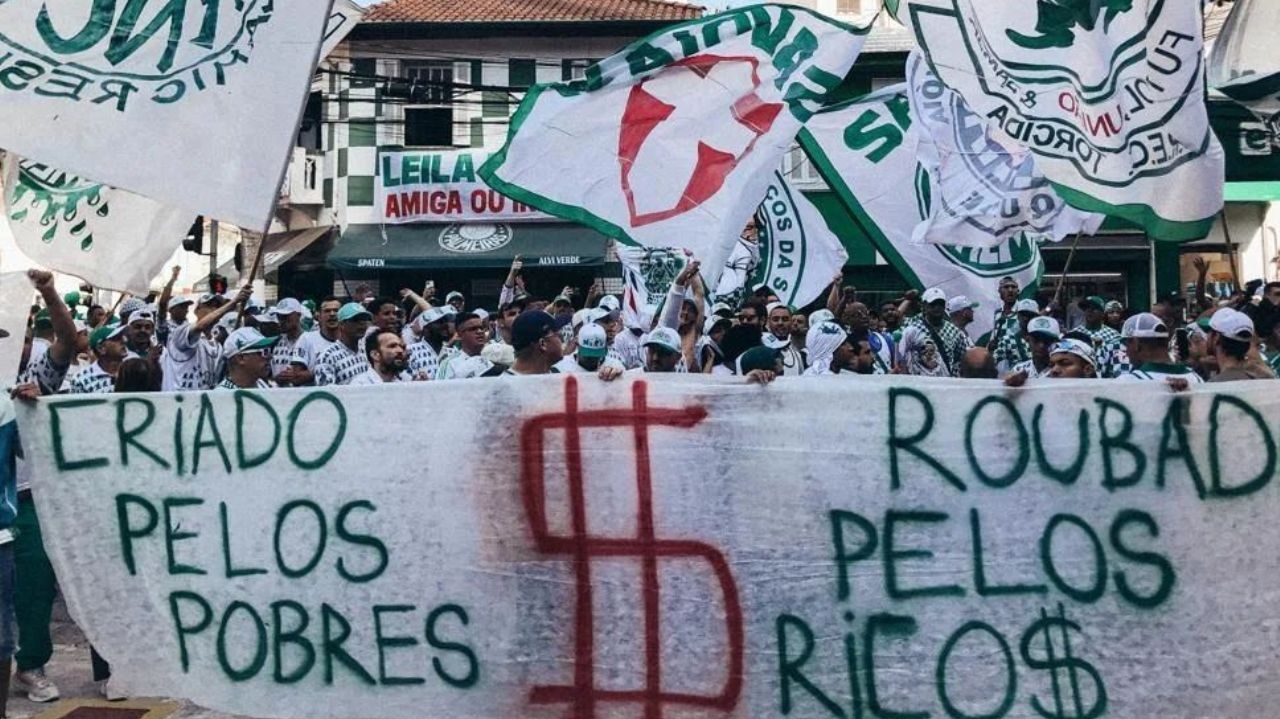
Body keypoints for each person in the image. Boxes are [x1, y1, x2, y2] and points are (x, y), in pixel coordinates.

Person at [161, 285, 252, 391]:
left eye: (217, 306)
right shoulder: (180, 333)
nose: (214, 309)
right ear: (196, 310)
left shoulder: (218, 347)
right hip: (177, 403)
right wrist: (232, 303)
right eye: (208, 305)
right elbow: (200, 326)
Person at [900, 288, 973, 377]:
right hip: (918, 382)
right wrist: (908, 300)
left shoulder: (954, 331)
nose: (937, 307)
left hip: (944, 383)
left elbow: (961, 359)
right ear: (924, 305)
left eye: (940, 304)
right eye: (933, 304)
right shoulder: (912, 326)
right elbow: (894, 318)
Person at [1117, 313, 1203, 387]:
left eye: (1126, 344)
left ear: (1136, 343)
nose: (1127, 351)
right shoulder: (1196, 379)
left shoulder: (1128, 382)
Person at [314, 303, 374, 386]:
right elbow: (326, 394)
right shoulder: (328, 356)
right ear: (342, 324)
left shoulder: (366, 351)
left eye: (364, 320)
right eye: (356, 320)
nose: (362, 324)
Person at [287, 296, 342, 385]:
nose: (332, 314)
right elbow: (295, 378)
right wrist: (327, 369)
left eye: (336, 310)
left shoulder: (352, 339)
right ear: (319, 316)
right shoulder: (307, 339)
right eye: (327, 311)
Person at [1207, 308, 1272, 382]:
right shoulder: (1263, 378)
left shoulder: (1215, 385)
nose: (1206, 336)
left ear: (1216, 337)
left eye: (1209, 331)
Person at [437, 312, 496, 380]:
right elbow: (441, 389)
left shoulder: (494, 357)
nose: (480, 331)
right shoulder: (449, 364)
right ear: (459, 335)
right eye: (473, 329)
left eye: (481, 328)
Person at [1003, 316, 1060, 386]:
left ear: (1056, 342)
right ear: (1027, 339)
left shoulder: (1060, 371)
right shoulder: (1019, 369)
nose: (1041, 345)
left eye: (1047, 341)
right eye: (1036, 340)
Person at [554, 324, 624, 380]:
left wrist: (617, 376)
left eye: (596, 356)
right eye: (588, 355)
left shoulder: (614, 365)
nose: (592, 359)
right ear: (578, 345)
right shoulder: (563, 367)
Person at [506, 310, 563, 376]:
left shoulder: (556, 375)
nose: (561, 340)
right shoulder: (504, 385)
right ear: (543, 344)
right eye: (558, 335)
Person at [992, 298, 1039, 375]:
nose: (1025, 318)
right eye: (1022, 314)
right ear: (1017, 316)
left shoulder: (1043, 341)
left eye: (1030, 315)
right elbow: (994, 364)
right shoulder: (1007, 340)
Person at [407, 306, 455, 381]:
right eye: (439, 322)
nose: (445, 325)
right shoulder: (411, 351)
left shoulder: (453, 352)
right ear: (426, 329)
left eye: (445, 321)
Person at [270, 299, 307, 386]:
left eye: (286, 316)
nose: (281, 321)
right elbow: (266, 375)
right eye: (279, 317)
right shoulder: (275, 342)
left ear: (298, 315)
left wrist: (299, 375)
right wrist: (276, 379)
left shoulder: (310, 341)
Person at [764, 303, 805, 376]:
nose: (780, 323)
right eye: (775, 319)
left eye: (785, 319)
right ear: (768, 322)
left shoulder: (797, 355)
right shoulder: (760, 345)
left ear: (791, 322)